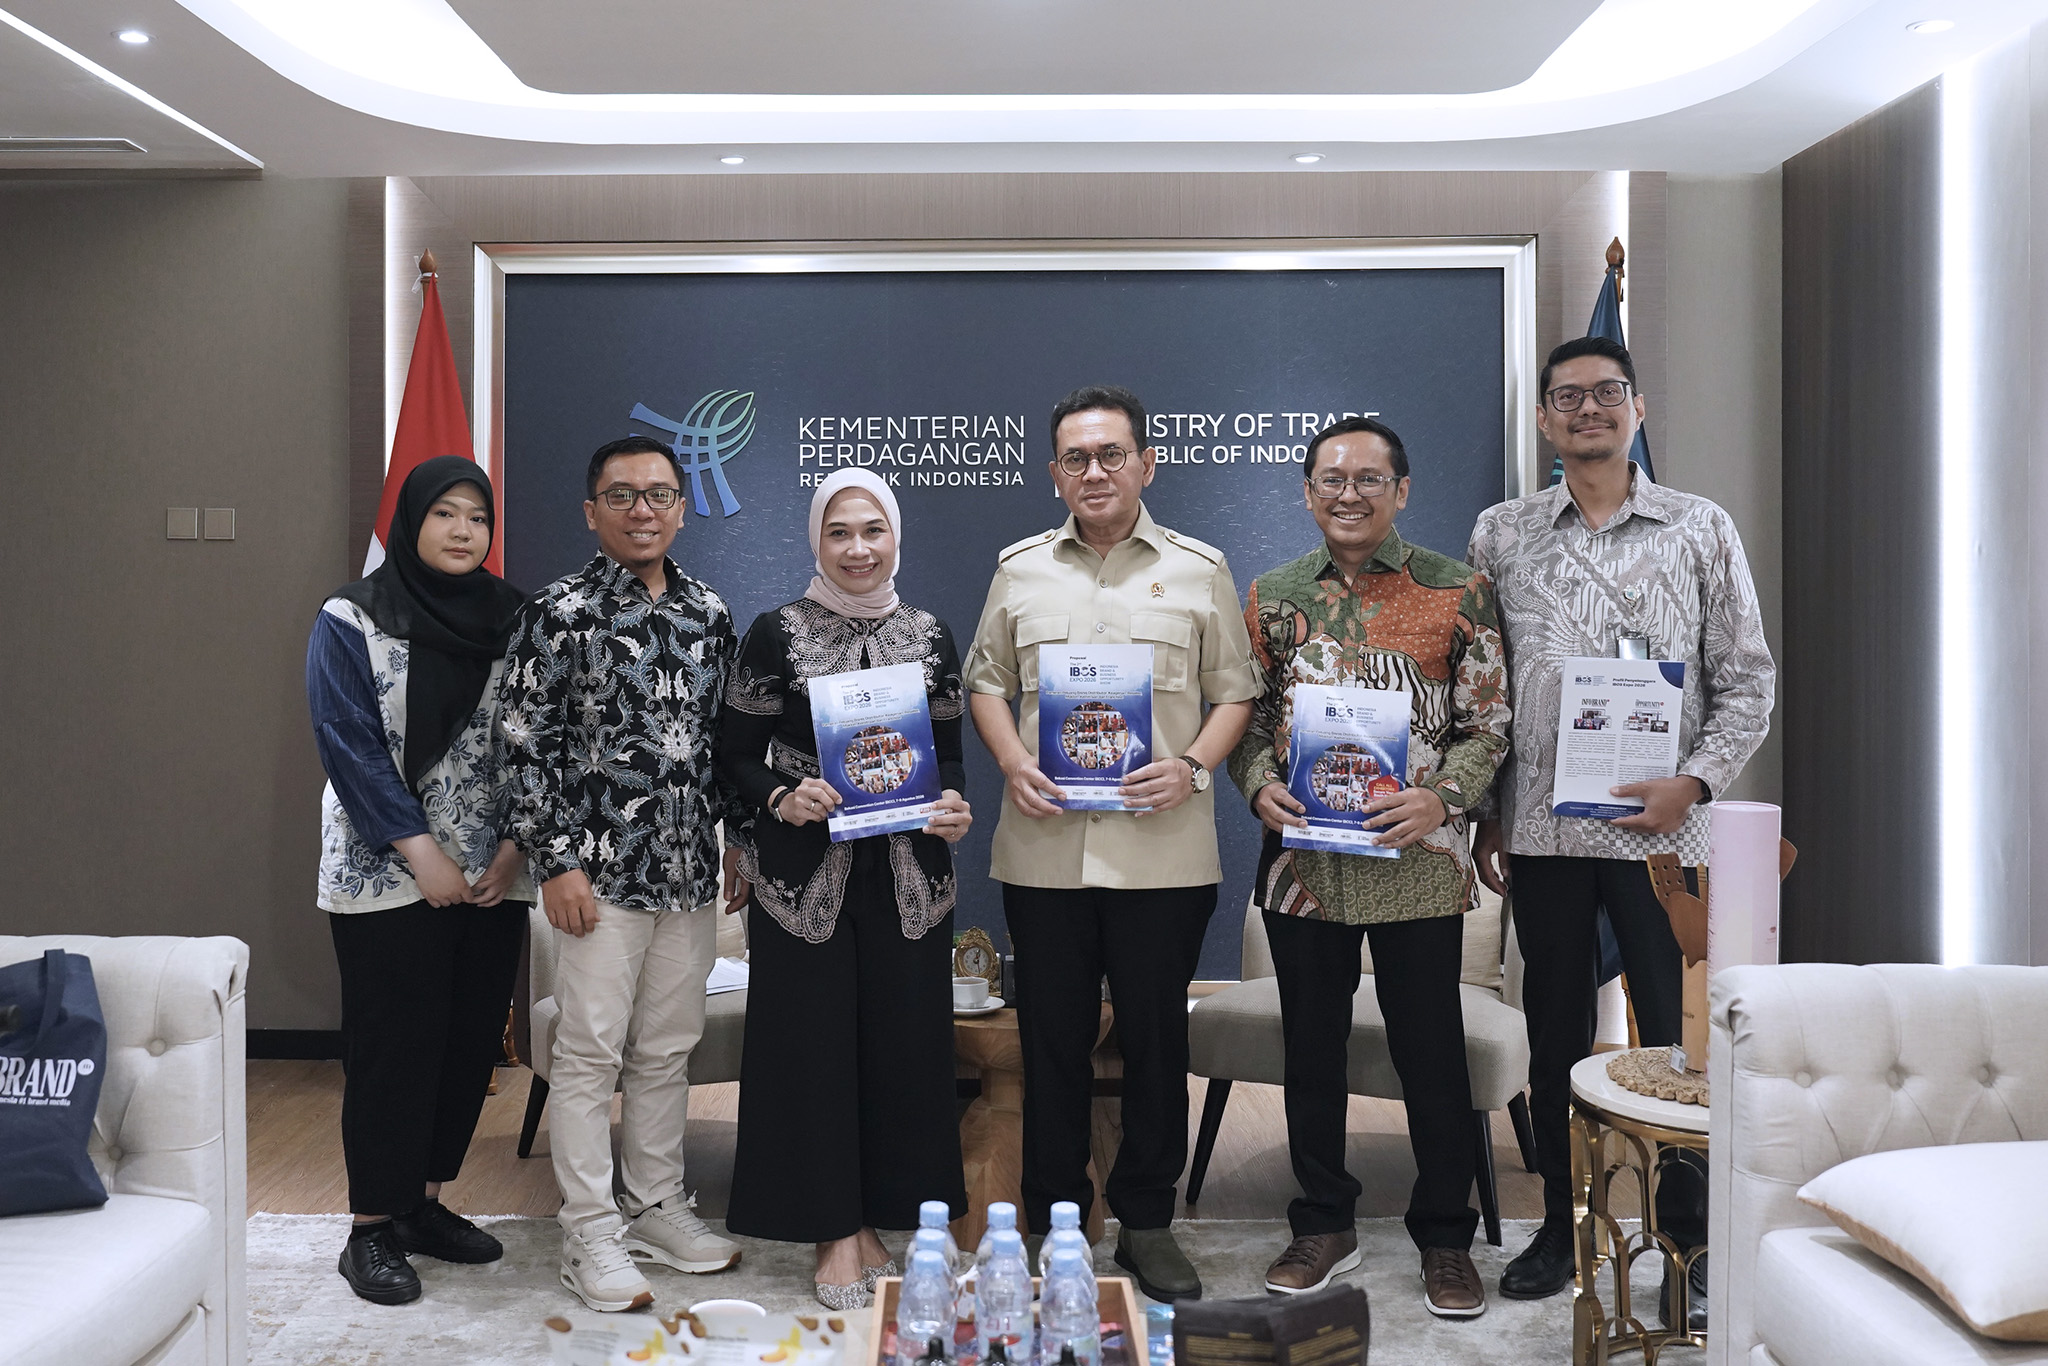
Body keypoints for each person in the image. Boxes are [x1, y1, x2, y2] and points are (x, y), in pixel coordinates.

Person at [1466, 337, 1774, 1326]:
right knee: (1556, 1033)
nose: (1588, 409)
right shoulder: (1502, 533)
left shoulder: (1698, 526)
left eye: (1607, 393)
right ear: (1544, 419)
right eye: (1568, 397)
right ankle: (1562, 1226)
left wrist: (1694, 781)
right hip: (1544, 833)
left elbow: (1747, 679)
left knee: (1683, 1043)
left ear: (1637, 409)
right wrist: (1486, 813)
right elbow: (1482, 687)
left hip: (1666, 842)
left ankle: (1689, 1239)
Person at [965, 384, 1260, 1302]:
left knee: (1155, 1043)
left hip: (1162, 854)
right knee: (1050, 1044)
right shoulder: (1020, 570)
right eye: (1076, 458)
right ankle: (1055, 1224)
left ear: (1146, 464)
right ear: (1055, 473)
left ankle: (1147, 1222)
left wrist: (1195, 767)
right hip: (1045, 851)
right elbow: (985, 682)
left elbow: (1235, 692)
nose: (1094, 471)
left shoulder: (1199, 570)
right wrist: (1012, 760)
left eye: (1111, 454)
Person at [1228, 418, 1511, 1315]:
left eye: (1368, 479)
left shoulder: (1459, 591)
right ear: (1308, 491)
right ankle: (1323, 1222)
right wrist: (1258, 784)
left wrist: (1442, 799)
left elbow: (1488, 724)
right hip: (1304, 867)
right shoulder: (1272, 595)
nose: (1348, 494)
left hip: (1417, 863)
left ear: (1402, 489)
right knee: (1310, 1051)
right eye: (1331, 479)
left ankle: (1445, 1237)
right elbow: (1246, 717)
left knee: (1432, 1055)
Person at [495, 436, 748, 1313]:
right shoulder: (557, 612)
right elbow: (520, 744)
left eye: (660, 494)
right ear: (591, 510)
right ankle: (590, 1231)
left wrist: (738, 843)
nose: (643, 510)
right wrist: (555, 861)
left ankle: (655, 1207)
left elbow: (721, 745)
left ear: (682, 508)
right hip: (594, 881)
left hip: (687, 872)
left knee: (666, 1050)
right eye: (623, 495)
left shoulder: (708, 612)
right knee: (588, 1054)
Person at [718, 470, 975, 1310]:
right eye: (839, 533)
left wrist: (952, 806)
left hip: (909, 876)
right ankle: (834, 1228)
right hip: (802, 874)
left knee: (907, 1047)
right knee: (811, 1049)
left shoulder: (930, 634)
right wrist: (779, 798)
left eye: (872, 530)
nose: (857, 549)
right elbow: (733, 755)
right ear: (815, 541)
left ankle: (893, 1216)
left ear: (895, 536)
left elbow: (948, 754)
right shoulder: (776, 632)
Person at [307, 455, 532, 1305]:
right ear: (412, 521)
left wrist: (513, 848)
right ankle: (370, 1226)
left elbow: (539, 738)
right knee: (393, 1047)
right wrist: (421, 853)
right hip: (387, 874)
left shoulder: (516, 617)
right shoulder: (351, 617)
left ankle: (422, 1206)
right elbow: (348, 741)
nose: (463, 530)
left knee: (466, 1042)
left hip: (493, 872)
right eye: (445, 513)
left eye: (477, 516)